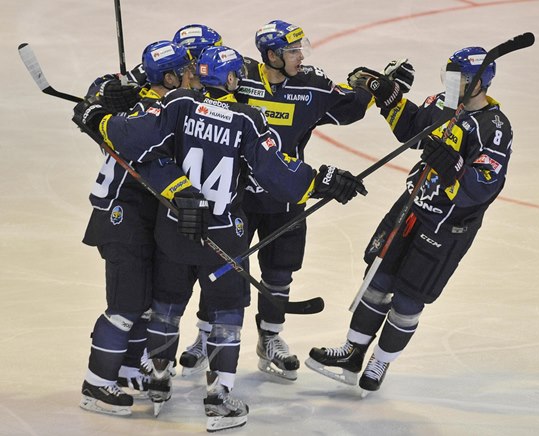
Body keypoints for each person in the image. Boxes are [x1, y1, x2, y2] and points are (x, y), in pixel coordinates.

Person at [73, 44, 366, 431]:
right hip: (224, 235)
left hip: (174, 229)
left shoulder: (176, 105)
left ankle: (159, 381)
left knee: (166, 306)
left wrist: (96, 115)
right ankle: (218, 398)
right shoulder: (248, 119)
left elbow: (137, 144)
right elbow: (279, 177)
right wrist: (324, 180)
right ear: (230, 80)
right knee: (226, 315)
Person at [179, 19, 414, 382]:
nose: (300, 56)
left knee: (279, 272)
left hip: (288, 194)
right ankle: (205, 333)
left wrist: (381, 87)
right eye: (291, 51)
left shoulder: (311, 84)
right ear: (271, 55)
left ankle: (270, 338)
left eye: (299, 49)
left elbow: (349, 106)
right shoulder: (238, 75)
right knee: (223, 268)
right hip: (236, 195)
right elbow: (195, 71)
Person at [306, 46, 513, 395]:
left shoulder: (494, 128)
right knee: (377, 278)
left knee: (408, 298)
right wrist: (389, 97)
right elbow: (411, 128)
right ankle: (353, 352)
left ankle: (380, 361)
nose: (453, 83)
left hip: (446, 227)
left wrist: (454, 166)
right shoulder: (445, 103)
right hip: (413, 207)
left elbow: (482, 188)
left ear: (480, 81)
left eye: (461, 77)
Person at [77, 40, 193, 416]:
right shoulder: (148, 113)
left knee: (141, 303)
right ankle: (96, 385)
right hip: (119, 216)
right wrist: (97, 104)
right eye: (187, 71)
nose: (195, 76)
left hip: (138, 215)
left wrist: (102, 103)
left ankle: (127, 369)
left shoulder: (150, 105)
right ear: (171, 76)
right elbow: (100, 103)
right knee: (126, 305)